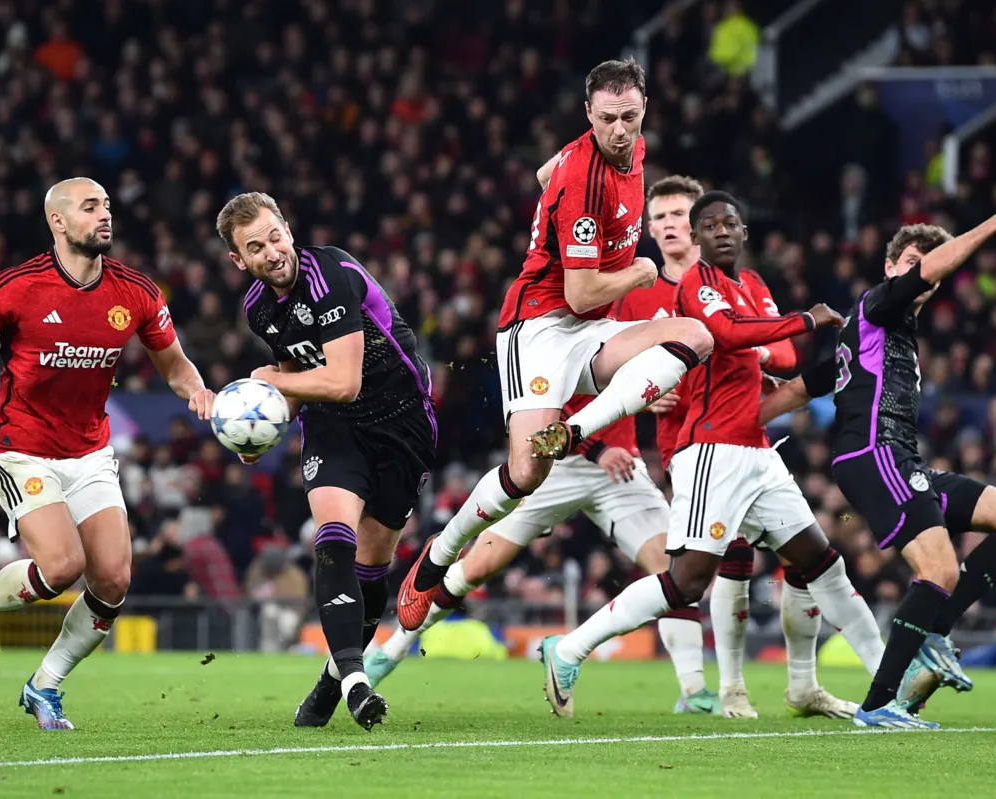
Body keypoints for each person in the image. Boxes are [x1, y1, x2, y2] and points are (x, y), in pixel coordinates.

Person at [395, 57, 713, 633]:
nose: (621, 130)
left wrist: (553, 206)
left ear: (644, 113)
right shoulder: (584, 179)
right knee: (526, 470)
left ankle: (578, 430)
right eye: (609, 118)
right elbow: (584, 290)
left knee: (696, 334)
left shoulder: (630, 152)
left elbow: (545, 174)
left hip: (588, 328)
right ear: (587, 114)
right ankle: (435, 559)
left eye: (631, 117)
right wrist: (641, 273)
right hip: (539, 325)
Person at [538, 192, 885, 718]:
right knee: (689, 582)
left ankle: (889, 691)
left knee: (821, 563)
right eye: (710, 225)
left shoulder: (752, 286)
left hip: (758, 449)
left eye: (731, 223)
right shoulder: (695, 285)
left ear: (745, 233)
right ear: (698, 238)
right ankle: (569, 650)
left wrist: (761, 340)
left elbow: (784, 356)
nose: (721, 231)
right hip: (710, 452)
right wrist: (802, 321)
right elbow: (724, 333)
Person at [0, 177, 214, 730]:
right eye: (90, 207)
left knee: (113, 579)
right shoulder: (18, 287)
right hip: (20, 447)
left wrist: (198, 391)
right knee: (61, 566)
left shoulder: (136, 293)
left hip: (90, 452)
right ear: (57, 222)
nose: (105, 215)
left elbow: (175, 366)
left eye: (107, 206)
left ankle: (44, 686)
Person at [759, 197, 996, 729]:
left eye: (926, 269)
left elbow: (801, 389)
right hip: (874, 455)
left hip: (903, 459)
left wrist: (746, 409)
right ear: (891, 268)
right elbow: (935, 266)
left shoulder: (882, 335)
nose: (920, 273)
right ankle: (877, 704)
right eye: (911, 262)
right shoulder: (876, 306)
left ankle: (936, 631)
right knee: (937, 567)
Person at [216, 191, 437, 732]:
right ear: (238, 261)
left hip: (401, 423)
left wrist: (269, 382)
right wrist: (262, 426)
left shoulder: (330, 273)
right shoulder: (258, 310)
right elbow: (302, 380)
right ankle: (358, 682)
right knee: (332, 536)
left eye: (274, 236)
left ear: (287, 228)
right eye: (255, 247)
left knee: (374, 560)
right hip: (334, 427)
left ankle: (330, 681)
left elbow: (343, 379)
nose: (271, 252)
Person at [363, 388, 720, 713]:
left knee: (677, 571)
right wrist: (598, 448)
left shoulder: (630, 320)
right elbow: (544, 408)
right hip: (553, 465)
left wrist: (649, 391)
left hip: (618, 468)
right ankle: (390, 651)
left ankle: (694, 691)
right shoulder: (549, 325)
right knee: (476, 568)